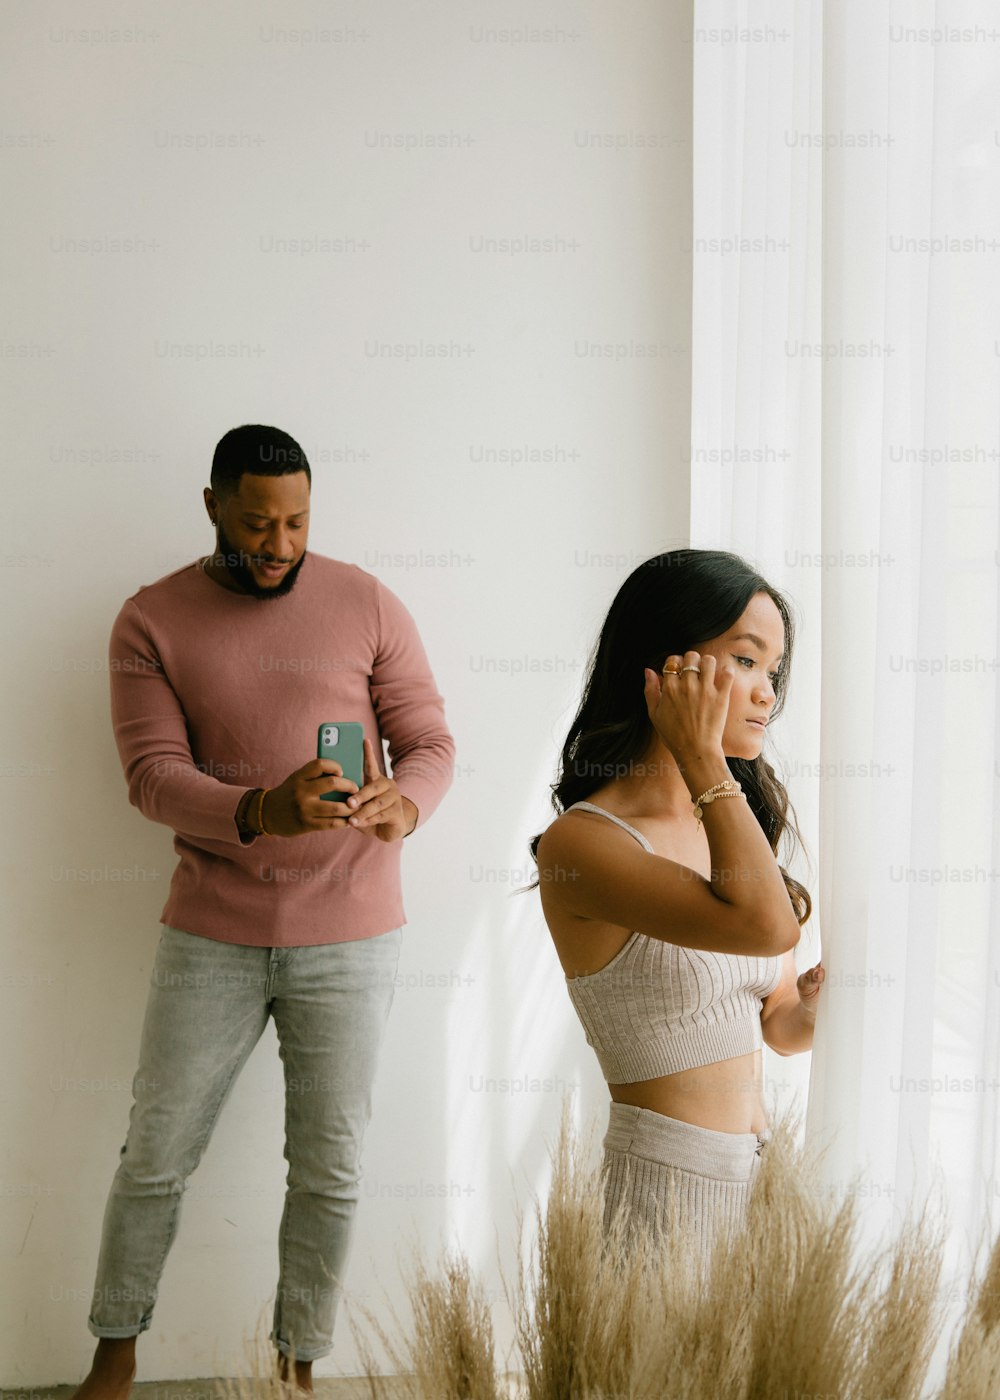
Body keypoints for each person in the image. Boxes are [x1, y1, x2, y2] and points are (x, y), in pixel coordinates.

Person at [71, 424, 455, 1399]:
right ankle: (113, 1356)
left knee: (329, 1166)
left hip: (354, 932)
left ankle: (295, 1370)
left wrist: (404, 801)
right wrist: (257, 809)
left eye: (296, 520)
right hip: (212, 933)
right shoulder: (150, 620)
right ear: (212, 507)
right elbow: (152, 776)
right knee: (155, 1153)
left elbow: (427, 737)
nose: (280, 540)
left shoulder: (365, 599)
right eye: (256, 521)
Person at [532, 549, 824, 1264]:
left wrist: (816, 1005)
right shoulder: (585, 844)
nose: (768, 694)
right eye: (747, 661)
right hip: (666, 1197)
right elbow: (764, 928)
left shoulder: (726, 828)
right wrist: (702, 759)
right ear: (668, 667)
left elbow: (778, 1023)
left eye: (775, 672)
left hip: (764, 1182)